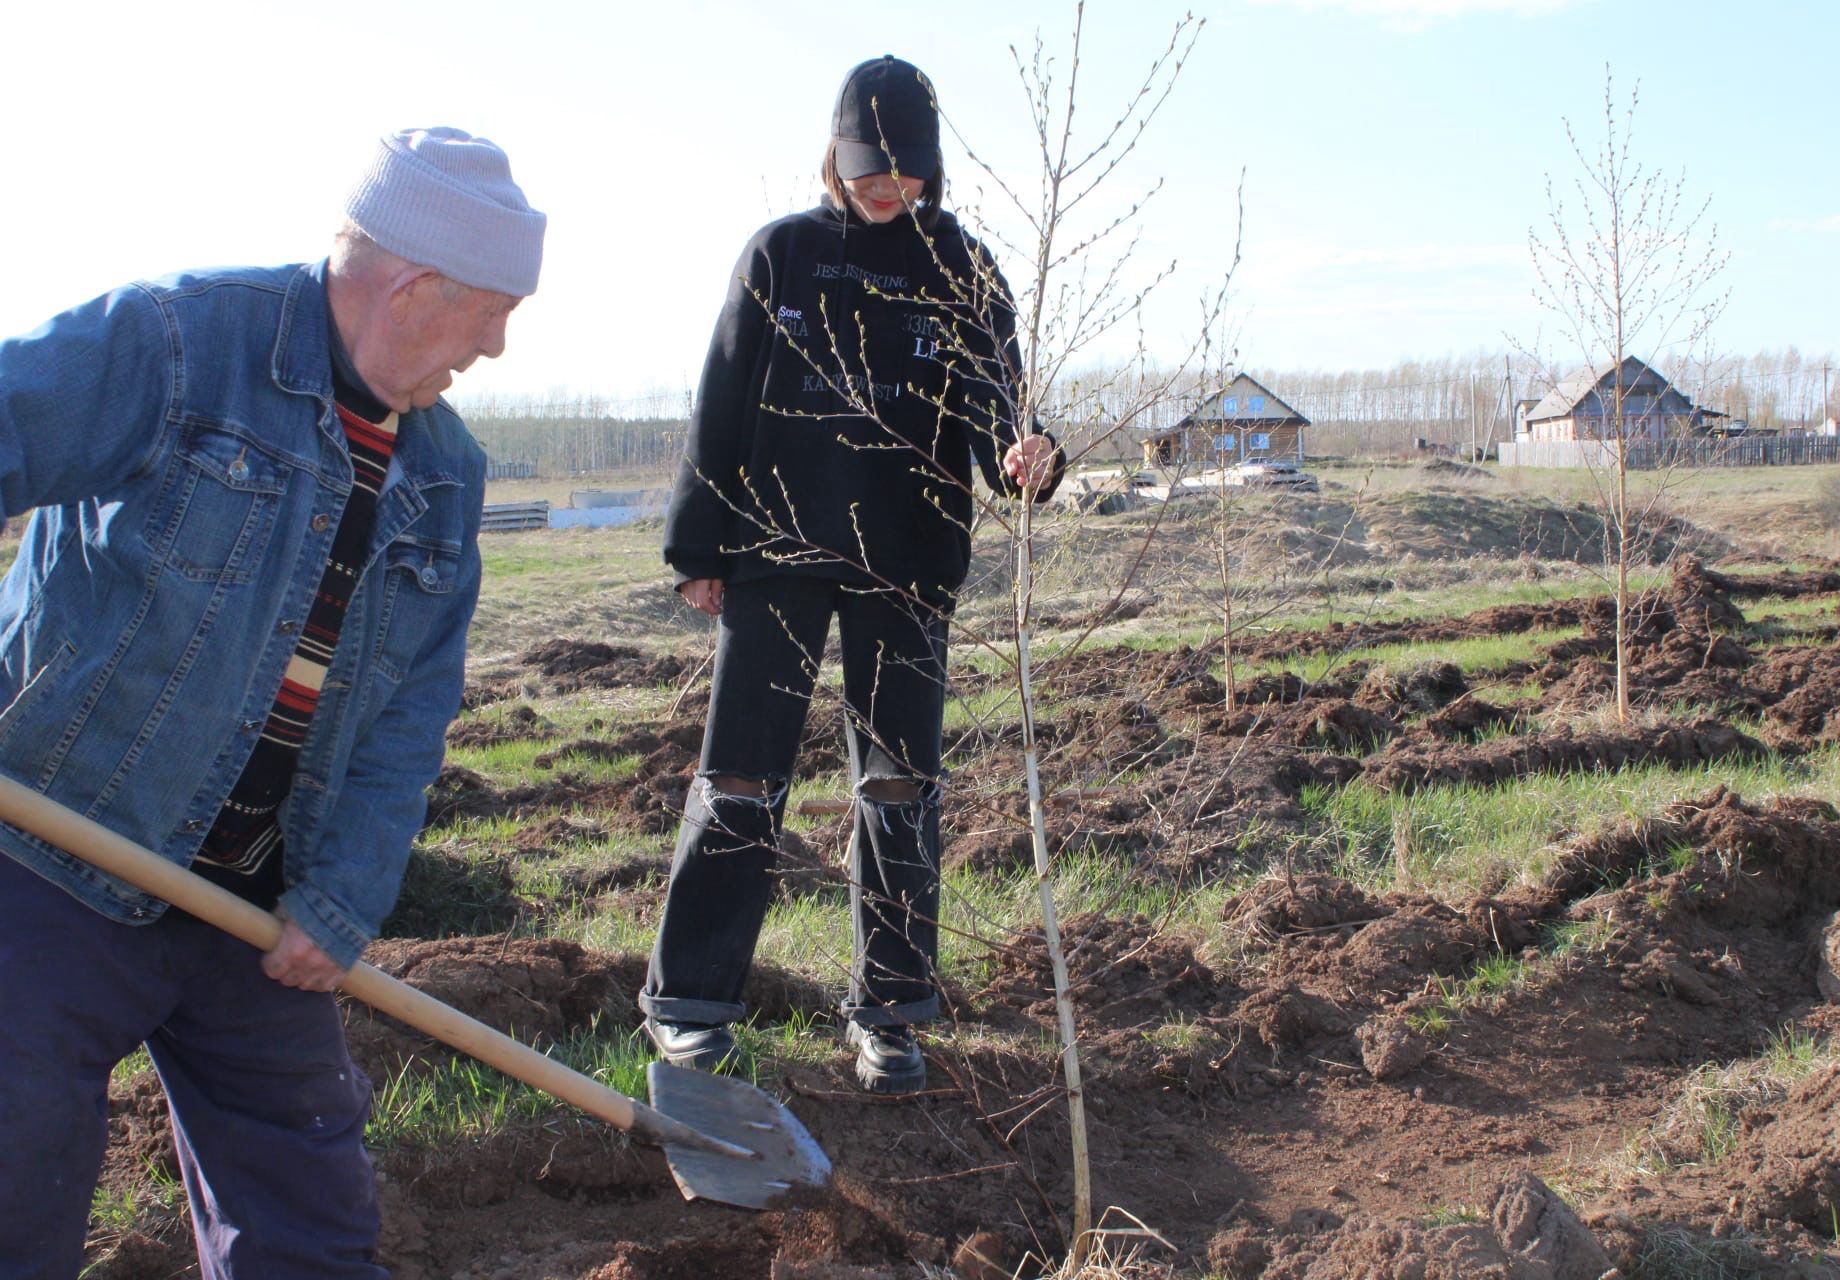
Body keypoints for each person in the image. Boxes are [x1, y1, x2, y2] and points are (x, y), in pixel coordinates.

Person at [0, 126, 544, 1278]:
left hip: (250, 906)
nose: (499, 343)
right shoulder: (178, 346)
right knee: (16, 1182)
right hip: (45, 861)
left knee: (313, 1226)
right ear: (413, 284)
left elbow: (410, 718)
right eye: (494, 307)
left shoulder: (446, 475)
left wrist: (342, 895)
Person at [643, 55, 1063, 1095]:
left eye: (908, 170)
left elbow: (1000, 403)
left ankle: (892, 1013)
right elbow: (722, 400)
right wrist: (700, 546)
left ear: (931, 168)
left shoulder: (962, 267)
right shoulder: (781, 255)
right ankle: (690, 1005)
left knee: (900, 788)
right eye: (871, 166)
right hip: (778, 554)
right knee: (740, 776)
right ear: (836, 156)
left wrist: (1028, 452)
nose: (888, 186)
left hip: (908, 568)